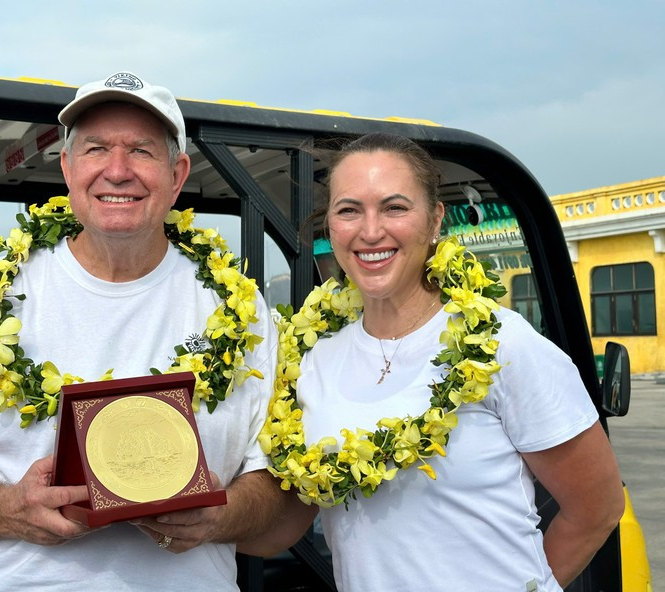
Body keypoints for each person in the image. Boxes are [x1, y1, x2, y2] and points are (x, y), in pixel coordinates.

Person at [0, 71, 288, 592]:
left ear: (177, 174)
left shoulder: (241, 310)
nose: (117, 171)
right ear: (67, 167)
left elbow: (272, 477)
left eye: (142, 151)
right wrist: (8, 509)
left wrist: (223, 513)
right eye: (96, 148)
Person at [251, 132, 626, 591]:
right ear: (330, 225)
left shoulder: (500, 344)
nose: (371, 232)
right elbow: (288, 524)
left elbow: (598, 509)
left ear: (435, 220)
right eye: (349, 210)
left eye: (395, 207)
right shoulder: (312, 358)